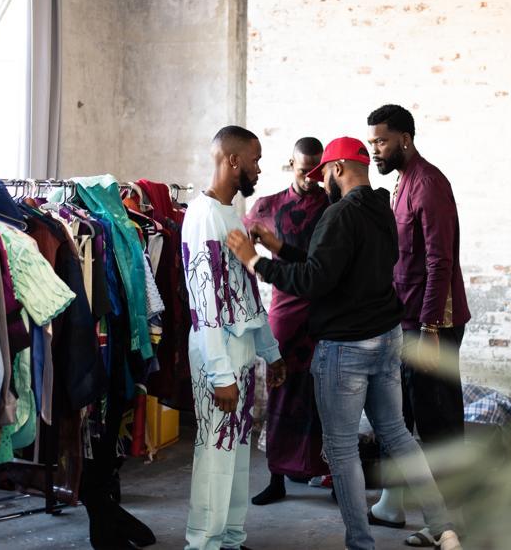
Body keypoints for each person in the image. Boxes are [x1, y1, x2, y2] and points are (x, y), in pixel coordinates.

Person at [226, 137, 463, 550]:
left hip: (346, 348)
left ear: (336, 169)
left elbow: (313, 280)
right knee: (399, 436)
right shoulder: (382, 207)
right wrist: (280, 247)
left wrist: (255, 260)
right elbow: (334, 264)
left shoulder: (338, 213)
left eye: (325, 175)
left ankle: (361, 544)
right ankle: (444, 527)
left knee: (341, 449)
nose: (322, 183)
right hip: (387, 338)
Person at [366, 104, 470, 543]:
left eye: (382, 141)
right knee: (400, 414)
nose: (375, 150)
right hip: (407, 319)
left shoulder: (428, 184)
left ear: (405, 139)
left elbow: (439, 261)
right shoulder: (402, 182)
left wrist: (428, 329)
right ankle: (391, 506)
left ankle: (448, 521)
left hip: (431, 325)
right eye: (371, 142)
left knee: (437, 423)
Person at [182, 125, 287, 550]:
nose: (258, 169)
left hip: (240, 349)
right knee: (215, 451)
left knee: (238, 449)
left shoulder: (229, 214)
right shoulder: (203, 215)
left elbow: (246, 291)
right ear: (233, 160)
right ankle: (202, 544)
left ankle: (230, 538)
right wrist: (220, 373)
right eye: (255, 160)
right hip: (218, 350)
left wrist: (270, 352)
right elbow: (204, 301)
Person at [243, 137, 331, 505]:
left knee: (326, 395)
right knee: (279, 392)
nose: (310, 179)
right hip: (285, 311)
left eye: (316, 172)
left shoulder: (333, 206)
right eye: (303, 171)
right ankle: (276, 475)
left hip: (325, 313)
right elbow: (240, 247)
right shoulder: (267, 206)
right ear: (290, 165)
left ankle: (329, 474)